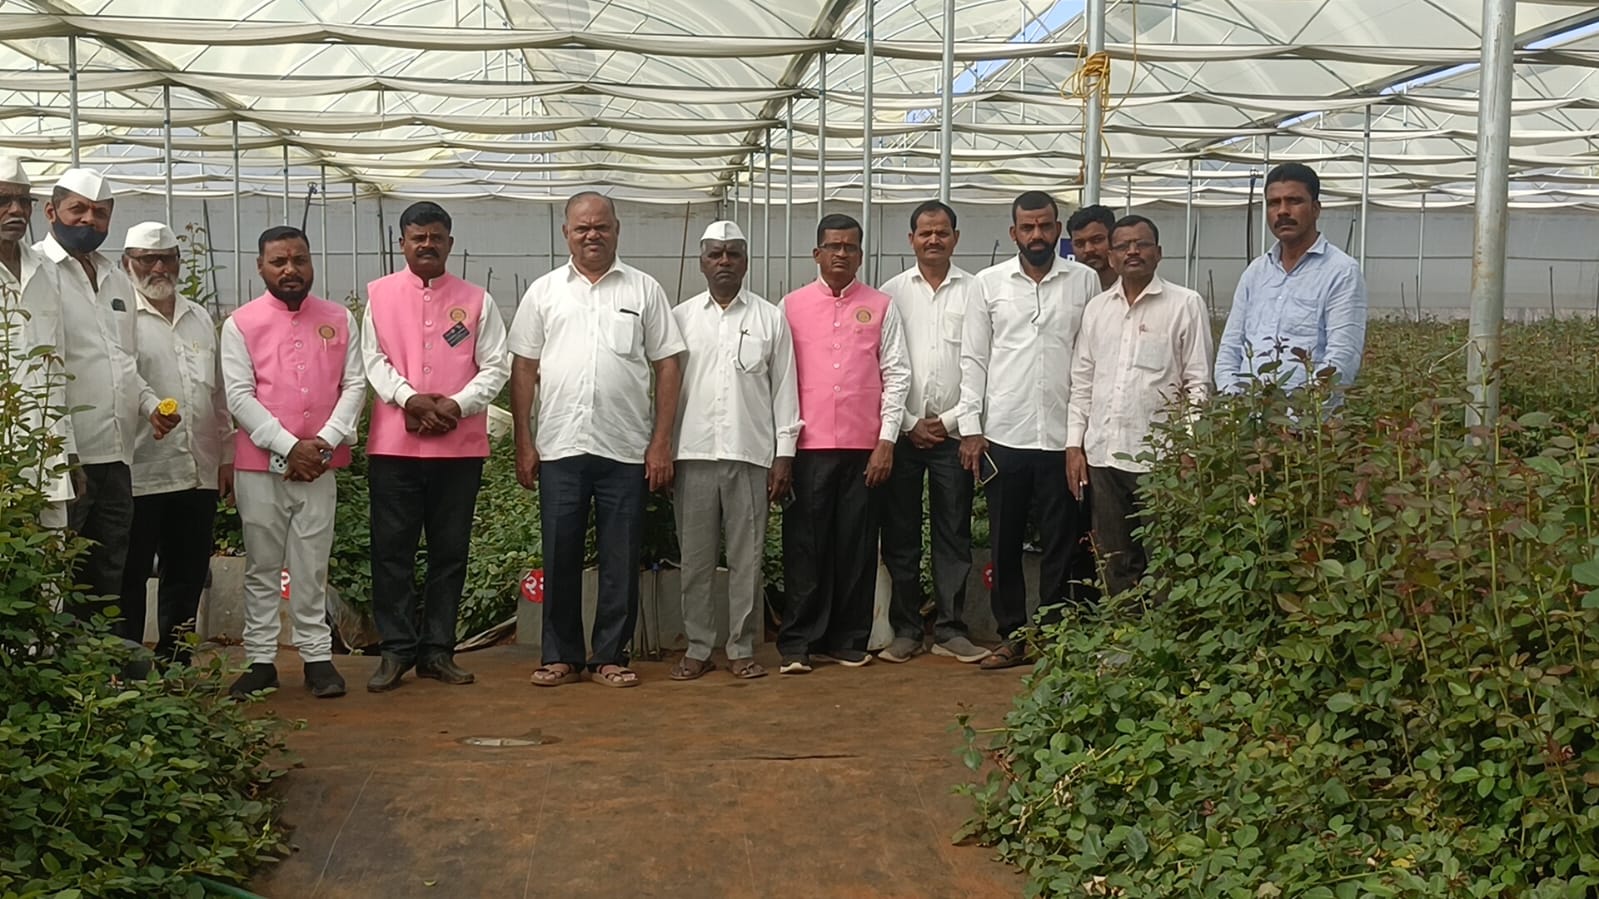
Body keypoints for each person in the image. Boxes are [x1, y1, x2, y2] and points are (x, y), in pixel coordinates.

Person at [509, 191, 685, 689]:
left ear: (616, 230)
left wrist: (660, 442)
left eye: (601, 226)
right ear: (566, 232)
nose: (592, 235)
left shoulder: (644, 290)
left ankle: (611, 655)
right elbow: (523, 368)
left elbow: (667, 365)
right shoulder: (545, 292)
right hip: (560, 446)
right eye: (582, 227)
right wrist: (525, 441)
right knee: (560, 553)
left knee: (620, 557)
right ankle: (561, 656)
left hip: (625, 449)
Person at [362, 201, 510, 692]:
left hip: (458, 448)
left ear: (450, 242)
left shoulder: (476, 300)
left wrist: (457, 405)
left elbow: (496, 365)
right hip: (395, 448)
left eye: (435, 237)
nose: (426, 244)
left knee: (450, 552)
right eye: (417, 237)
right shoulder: (379, 295)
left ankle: (438, 651)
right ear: (402, 243)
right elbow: (373, 359)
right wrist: (408, 398)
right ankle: (396, 650)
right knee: (392, 551)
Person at [220, 226, 365, 699]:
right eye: (278, 262)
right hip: (260, 466)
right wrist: (288, 446)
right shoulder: (241, 323)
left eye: (299, 260)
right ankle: (260, 660)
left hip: (319, 465)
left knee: (312, 563)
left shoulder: (339, 318)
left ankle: (316, 657)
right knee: (262, 565)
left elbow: (354, 385)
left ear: (311, 263)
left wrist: (323, 443)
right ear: (260, 267)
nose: (290, 270)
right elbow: (239, 396)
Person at [958, 190, 1100, 670]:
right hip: (1005, 435)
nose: (1036, 235)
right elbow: (974, 359)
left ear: (1057, 230)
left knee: (1061, 541)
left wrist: (1081, 436)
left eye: (1044, 226)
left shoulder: (1083, 282)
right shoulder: (988, 284)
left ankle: (1054, 634)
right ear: (1013, 232)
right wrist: (971, 429)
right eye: (1027, 227)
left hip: (1063, 438)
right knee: (1005, 541)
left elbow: (1089, 359)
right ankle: (1012, 635)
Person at [37, 168, 178, 619]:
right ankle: (55, 656)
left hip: (116, 456)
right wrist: (63, 451)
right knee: (56, 569)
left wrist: (149, 405)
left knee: (107, 569)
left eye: (100, 213)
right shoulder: (35, 270)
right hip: (66, 456)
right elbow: (40, 368)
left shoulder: (116, 279)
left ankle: (98, 656)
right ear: (51, 211)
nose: (89, 220)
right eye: (77, 209)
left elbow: (122, 360)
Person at [776, 212, 911, 675]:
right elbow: (780, 379)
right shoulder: (790, 306)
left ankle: (848, 639)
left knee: (857, 544)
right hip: (809, 446)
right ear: (816, 253)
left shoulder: (881, 306)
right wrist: (783, 448)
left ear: (860, 254)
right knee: (805, 546)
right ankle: (799, 641)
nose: (841, 253)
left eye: (850, 247)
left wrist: (886, 441)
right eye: (833, 246)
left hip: (863, 447)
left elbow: (896, 374)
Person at [668, 220, 800, 681]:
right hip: (693, 455)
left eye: (733, 253)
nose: (724, 261)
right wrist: (660, 449)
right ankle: (699, 647)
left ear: (746, 261)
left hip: (750, 455)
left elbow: (785, 389)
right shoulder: (679, 318)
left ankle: (741, 647)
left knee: (748, 559)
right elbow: (663, 390)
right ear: (701, 262)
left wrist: (784, 455)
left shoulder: (769, 318)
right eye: (715, 254)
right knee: (696, 561)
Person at [1066, 215, 1213, 597]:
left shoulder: (1184, 305)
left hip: (1161, 460)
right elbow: (1082, 382)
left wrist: (1187, 447)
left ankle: (1166, 631)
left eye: (1142, 244)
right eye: (1123, 246)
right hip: (1104, 456)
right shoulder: (1097, 309)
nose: (1133, 251)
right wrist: (1074, 445)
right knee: (1115, 560)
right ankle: (1125, 630)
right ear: (1112, 256)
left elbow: (1198, 383)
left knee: (1166, 559)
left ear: (1158, 253)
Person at [877, 200, 989, 665]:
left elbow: (979, 365)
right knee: (901, 534)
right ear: (911, 240)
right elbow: (883, 367)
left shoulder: (975, 291)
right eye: (925, 233)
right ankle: (906, 629)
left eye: (942, 232)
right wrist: (907, 422)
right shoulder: (891, 293)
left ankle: (950, 629)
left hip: (954, 435)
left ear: (956, 238)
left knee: (952, 532)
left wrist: (951, 422)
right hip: (903, 434)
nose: (934, 240)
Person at [117, 222, 234, 662]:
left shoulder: (198, 317)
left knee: (186, 573)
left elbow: (217, 394)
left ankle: (175, 663)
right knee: (130, 575)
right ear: (127, 262)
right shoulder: (121, 317)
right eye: (147, 259)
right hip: (142, 470)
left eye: (167, 258)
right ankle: (128, 667)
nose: (159, 267)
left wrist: (226, 456)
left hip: (197, 470)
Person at [1215, 162, 1367, 392]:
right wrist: (1233, 401)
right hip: (1246, 410)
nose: (1282, 211)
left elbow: (1342, 358)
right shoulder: (1255, 273)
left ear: (1315, 208)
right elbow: (1229, 349)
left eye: (1294, 201)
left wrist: (1299, 409)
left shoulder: (1341, 272)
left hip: (1307, 413)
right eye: (1273, 203)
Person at [0, 156, 75, 530]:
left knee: (50, 554)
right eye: (3, 200)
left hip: (47, 451)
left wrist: (69, 451)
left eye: (23, 201)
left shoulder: (46, 270)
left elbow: (58, 366)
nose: (16, 210)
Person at [1065, 204, 1117, 292]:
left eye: (1097, 240)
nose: (1088, 249)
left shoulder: (1135, 284)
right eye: (1079, 244)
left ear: (1114, 238)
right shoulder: (1066, 288)